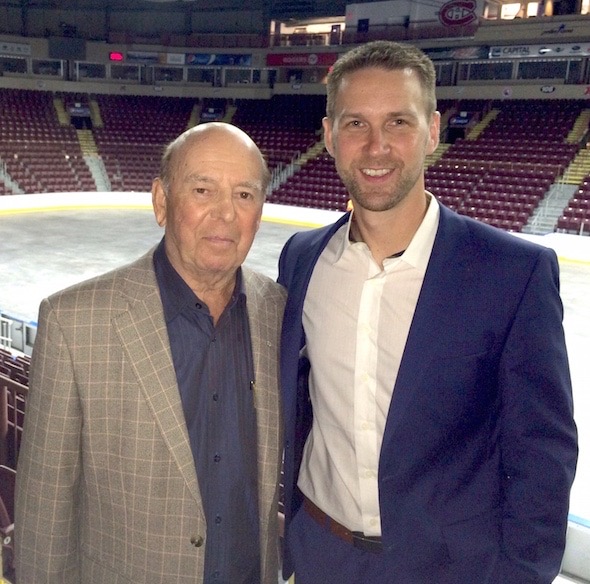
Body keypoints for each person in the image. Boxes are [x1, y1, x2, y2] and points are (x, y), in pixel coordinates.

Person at [278, 40, 578, 584]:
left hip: (450, 568)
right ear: (328, 136)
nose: (376, 147)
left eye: (398, 122)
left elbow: (543, 451)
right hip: (319, 553)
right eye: (354, 125)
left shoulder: (512, 273)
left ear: (433, 130)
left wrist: (518, 574)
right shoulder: (302, 260)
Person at [15, 122, 286, 584]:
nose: (225, 214)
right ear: (161, 202)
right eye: (203, 190)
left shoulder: (276, 311)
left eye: (244, 195)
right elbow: (44, 519)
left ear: (260, 209)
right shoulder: (73, 323)